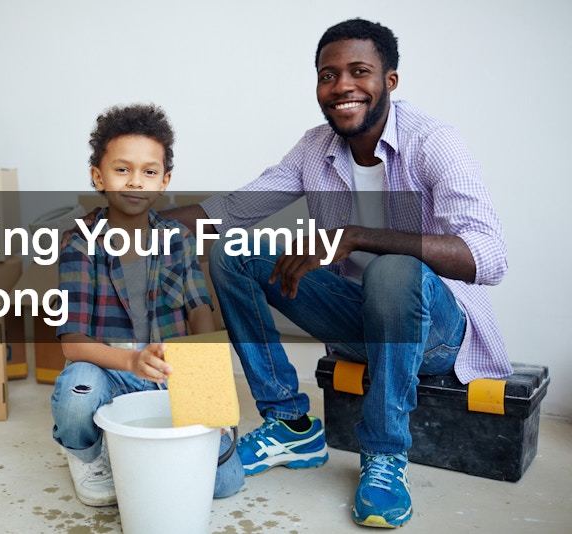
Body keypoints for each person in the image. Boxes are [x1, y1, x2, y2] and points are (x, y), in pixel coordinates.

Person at [162, 18, 510, 528]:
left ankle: (386, 454)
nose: (342, 85)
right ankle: (290, 423)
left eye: (359, 71)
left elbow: (490, 256)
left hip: (435, 335)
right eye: (328, 74)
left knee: (392, 271)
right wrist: (130, 224)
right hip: (361, 324)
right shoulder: (315, 148)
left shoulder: (433, 142)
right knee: (231, 252)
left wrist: (360, 235)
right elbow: (234, 208)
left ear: (389, 80)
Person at [50, 103, 244, 507]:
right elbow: (72, 343)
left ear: (164, 180)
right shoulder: (80, 244)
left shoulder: (178, 239)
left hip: (170, 373)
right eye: (122, 170)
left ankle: (151, 447)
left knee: (224, 483)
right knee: (76, 390)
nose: (135, 182)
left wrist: (210, 391)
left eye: (149, 172)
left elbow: (200, 314)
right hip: (108, 373)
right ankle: (89, 453)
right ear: (98, 177)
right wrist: (132, 363)